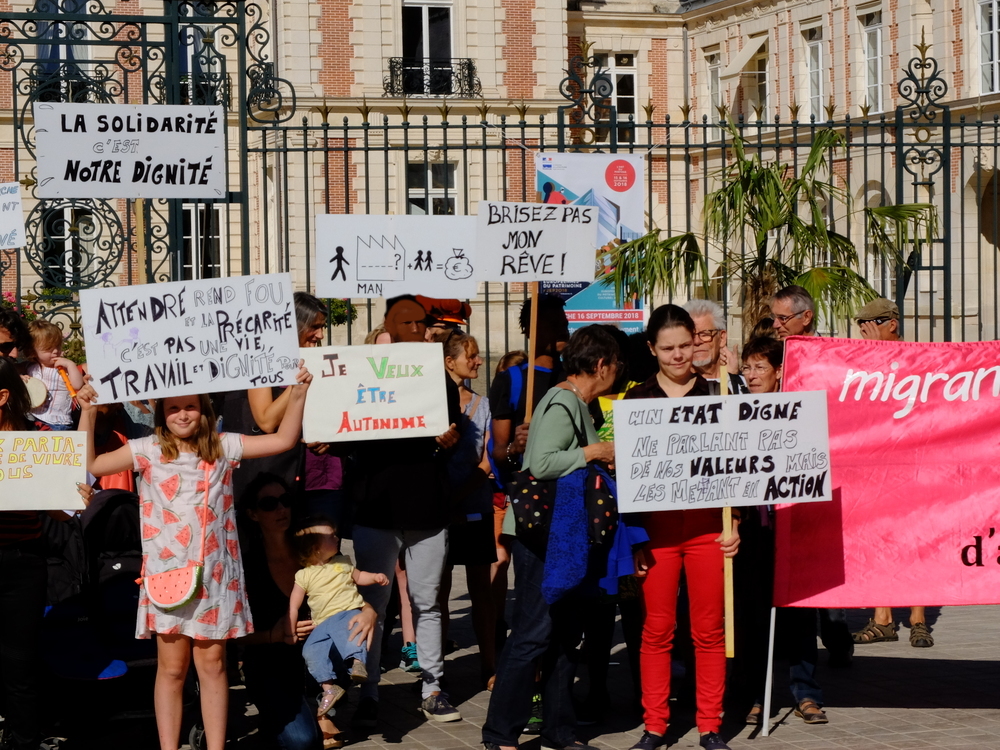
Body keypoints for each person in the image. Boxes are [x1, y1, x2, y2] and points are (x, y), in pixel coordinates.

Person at [77, 364, 312, 750]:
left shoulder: (223, 445)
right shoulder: (146, 449)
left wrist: (298, 392)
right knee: (171, 670)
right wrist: (88, 412)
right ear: (161, 413)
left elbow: (284, 439)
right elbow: (94, 465)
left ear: (204, 409)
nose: (182, 414)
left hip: (217, 579)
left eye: (190, 406)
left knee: (213, 667)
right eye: (173, 407)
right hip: (165, 576)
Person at [482, 324, 620, 750]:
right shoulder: (563, 402)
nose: (617, 372)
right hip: (544, 535)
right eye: (616, 364)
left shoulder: (575, 402)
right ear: (601, 365)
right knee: (532, 633)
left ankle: (559, 729)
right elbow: (541, 463)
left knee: (563, 632)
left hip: (563, 534)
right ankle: (499, 733)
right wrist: (596, 451)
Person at [624, 304, 740, 750]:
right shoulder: (637, 400)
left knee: (709, 631)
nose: (678, 355)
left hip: (710, 529)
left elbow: (741, 466)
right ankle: (655, 725)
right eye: (668, 348)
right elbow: (629, 478)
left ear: (698, 342)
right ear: (651, 349)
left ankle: (710, 724)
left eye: (686, 345)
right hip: (656, 534)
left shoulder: (719, 393)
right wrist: (634, 538)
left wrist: (736, 522)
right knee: (656, 631)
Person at [347, 294, 463, 727]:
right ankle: (369, 691)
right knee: (372, 604)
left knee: (427, 602)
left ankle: (432, 688)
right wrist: (325, 441)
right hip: (376, 509)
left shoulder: (437, 382)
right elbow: (341, 433)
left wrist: (448, 440)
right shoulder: (356, 386)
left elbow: (449, 432)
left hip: (426, 508)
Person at [240, 475, 377, 750]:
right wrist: (273, 635)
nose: (281, 509)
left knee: (351, 631)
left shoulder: (313, 553)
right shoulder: (245, 565)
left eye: (285, 500)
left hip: (314, 657)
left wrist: (369, 612)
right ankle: (293, 714)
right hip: (270, 662)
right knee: (301, 742)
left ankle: (323, 710)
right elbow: (230, 637)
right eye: (269, 504)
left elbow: (347, 593)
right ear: (253, 514)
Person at [0, 356, 92, 750]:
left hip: (21, 564)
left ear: (2, 396)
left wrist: (76, 496)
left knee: (18, 660)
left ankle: (24, 740)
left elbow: (60, 510)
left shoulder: (36, 438)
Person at [768, 285, 854, 671]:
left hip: (826, 471)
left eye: (782, 318)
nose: (776, 325)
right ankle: (793, 646)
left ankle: (836, 637)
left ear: (807, 317)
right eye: (773, 317)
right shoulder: (773, 355)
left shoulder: (832, 356)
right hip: (783, 474)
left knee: (823, 564)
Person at [848, 297, 934, 649]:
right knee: (878, 537)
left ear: (891, 324)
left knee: (915, 539)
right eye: (861, 326)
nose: (864, 332)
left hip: (912, 460)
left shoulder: (916, 357)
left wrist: (878, 353)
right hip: (876, 461)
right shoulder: (864, 359)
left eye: (871, 324)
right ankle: (882, 617)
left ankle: (918, 619)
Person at [438, 329, 497, 686]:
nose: (478, 361)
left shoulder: (484, 405)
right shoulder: (432, 404)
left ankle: (490, 665)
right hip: (438, 510)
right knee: (438, 594)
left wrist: (459, 495)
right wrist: (445, 499)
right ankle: (436, 673)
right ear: (450, 361)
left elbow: (489, 460)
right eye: (471, 356)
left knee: (481, 592)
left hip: (475, 506)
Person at [287, 518, 389, 716]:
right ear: (316, 548)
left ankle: (357, 664)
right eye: (330, 536)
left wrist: (375, 577)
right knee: (310, 650)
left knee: (350, 636)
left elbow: (359, 576)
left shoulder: (342, 563)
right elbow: (293, 606)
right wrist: (290, 631)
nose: (336, 537)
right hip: (322, 623)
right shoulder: (303, 575)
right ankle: (328, 687)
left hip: (347, 612)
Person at [25, 319, 83, 429]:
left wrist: (71, 365)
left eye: (58, 346)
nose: (56, 351)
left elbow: (77, 385)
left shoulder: (64, 369)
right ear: (32, 352)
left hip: (58, 422)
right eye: (48, 349)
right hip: (34, 418)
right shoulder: (31, 368)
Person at [682, 300, 749, 394]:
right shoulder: (674, 392)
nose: (697, 341)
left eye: (705, 334)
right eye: (691, 336)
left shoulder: (748, 387)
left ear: (722, 338)